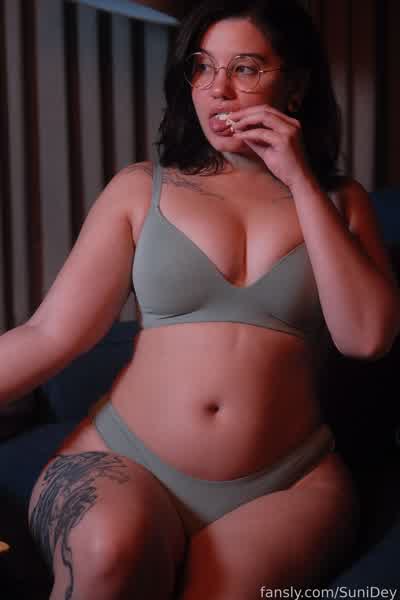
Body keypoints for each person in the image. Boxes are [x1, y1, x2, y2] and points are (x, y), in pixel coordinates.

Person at [1, 0, 399, 598]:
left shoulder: (340, 203)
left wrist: (300, 180)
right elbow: (50, 334)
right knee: (109, 556)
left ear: (295, 86)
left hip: (289, 482)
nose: (218, 89)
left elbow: (365, 338)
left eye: (245, 68)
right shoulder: (142, 188)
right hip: (125, 459)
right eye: (203, 66)